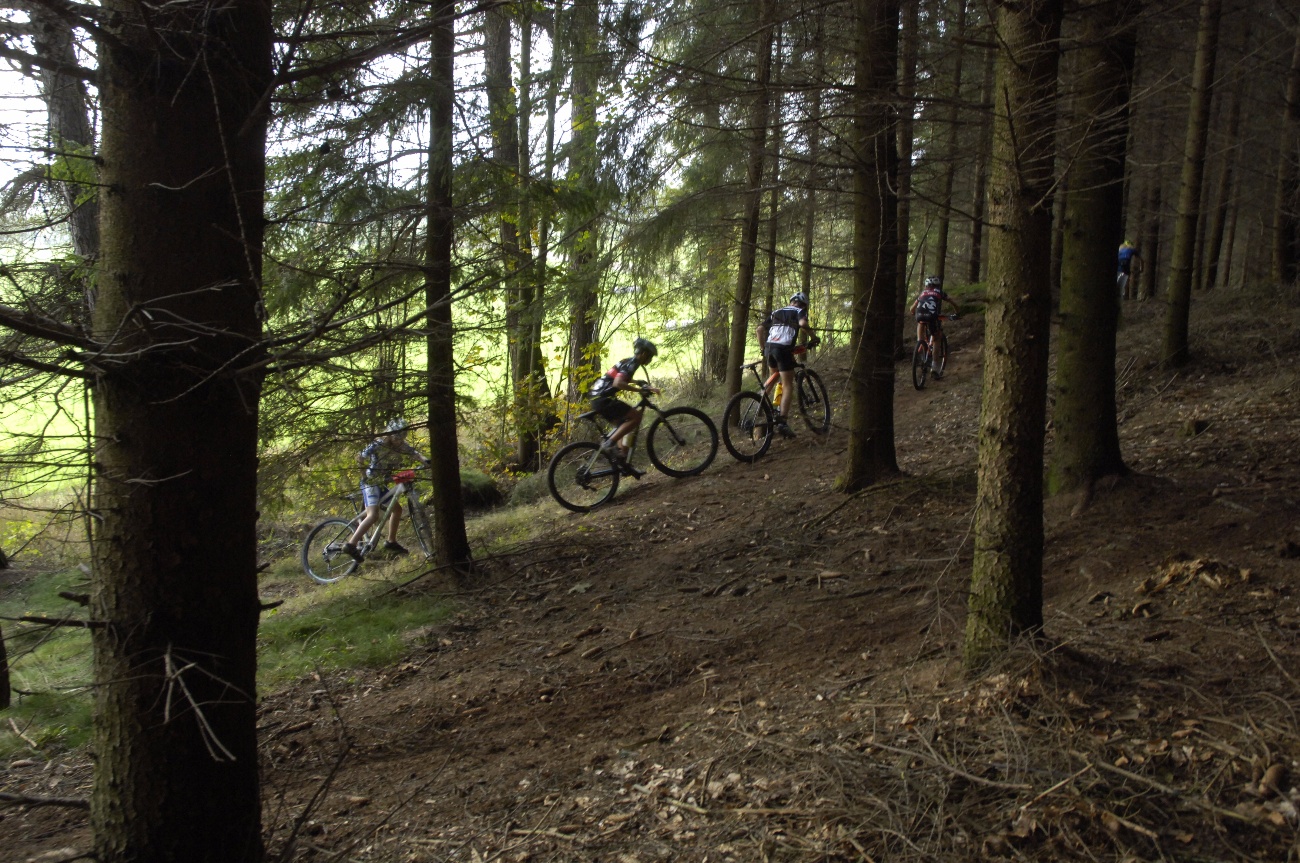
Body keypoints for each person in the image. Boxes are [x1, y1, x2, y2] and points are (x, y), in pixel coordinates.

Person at [344, 417, 430, 559]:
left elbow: (414, 454)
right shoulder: (378, 444)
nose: (399, 441)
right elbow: (359, 457)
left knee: (397, 510)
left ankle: (391, 541)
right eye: (396, 437)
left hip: (381, 482)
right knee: (373, 515)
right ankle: (351, 545)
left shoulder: (400, 445)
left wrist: (427, 461)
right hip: (371, 482)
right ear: (390, 434)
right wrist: (363, 476)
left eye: (401, 438)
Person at [589, 337, 661, 472]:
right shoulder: (632, 364)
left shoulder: (627, 361)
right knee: (636, 417)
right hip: (603, 399)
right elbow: (618, 383)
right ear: (643, 354)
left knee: (623, 425)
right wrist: (640, 390)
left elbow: (618, 377)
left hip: (597, 398)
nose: (650, 360)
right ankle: (609, 444)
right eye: (650, 356)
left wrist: (637, 382)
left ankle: (622, 460)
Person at [756, 292, 819, 437]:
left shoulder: (776, 312)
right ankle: (782, 422)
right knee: (788, 384)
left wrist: (762, 348)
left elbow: (759, 330)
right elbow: (803, 324)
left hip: (770, 348)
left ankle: (757, 407)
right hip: (783, 349)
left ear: (791, 301)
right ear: (804, 305)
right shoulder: (799, 311)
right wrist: (814, 337)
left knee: (773, 378)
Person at [909, 275, 959, 350]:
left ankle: (920, 342)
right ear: (938, 285)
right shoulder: (940, 292)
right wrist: (957, 312)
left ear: (926, 285)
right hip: (931, 315)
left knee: (920, 322)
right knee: (936, 336)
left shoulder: (923, 293)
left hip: (919, 314)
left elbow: (912, 308)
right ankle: (935, 356)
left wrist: (913, 312)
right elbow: (952, 302)